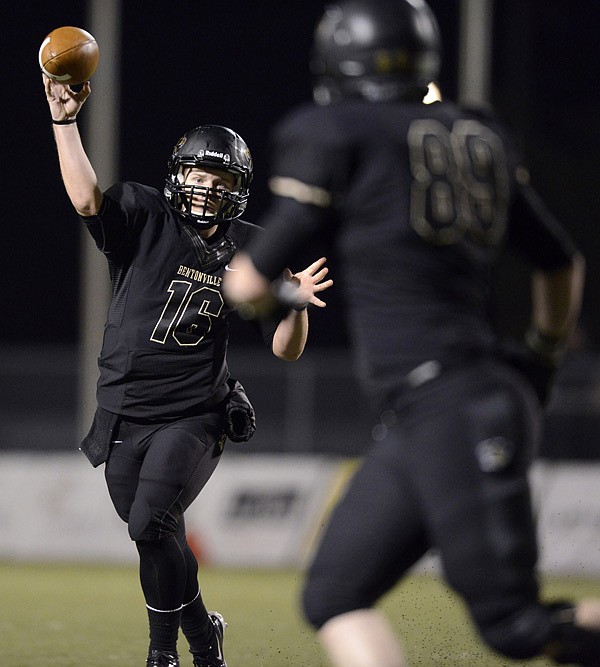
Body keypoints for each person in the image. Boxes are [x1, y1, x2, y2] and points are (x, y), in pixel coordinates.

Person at [222, 1, 600, 665]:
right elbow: (560, 263)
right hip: (430, 408)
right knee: (333, 593)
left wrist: (281, 293)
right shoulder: (473, 136)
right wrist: (539, 364)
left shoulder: (336, 132)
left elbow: (246, 285)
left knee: (516, 627)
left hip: (447, 401)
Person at [42, 73, 332, 667]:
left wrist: (295, 306)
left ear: (239, 190)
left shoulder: (251, 249)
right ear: (178, 175)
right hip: (124, 407)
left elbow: (285, 349)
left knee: (150, 522)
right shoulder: (144, 213)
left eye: (220, 180)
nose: (207, 188)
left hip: (193, 412)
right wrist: (65, 122)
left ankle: (161, 656)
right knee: (155, 531)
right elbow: (85, 198)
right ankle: (205, 639)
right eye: (199, 176)